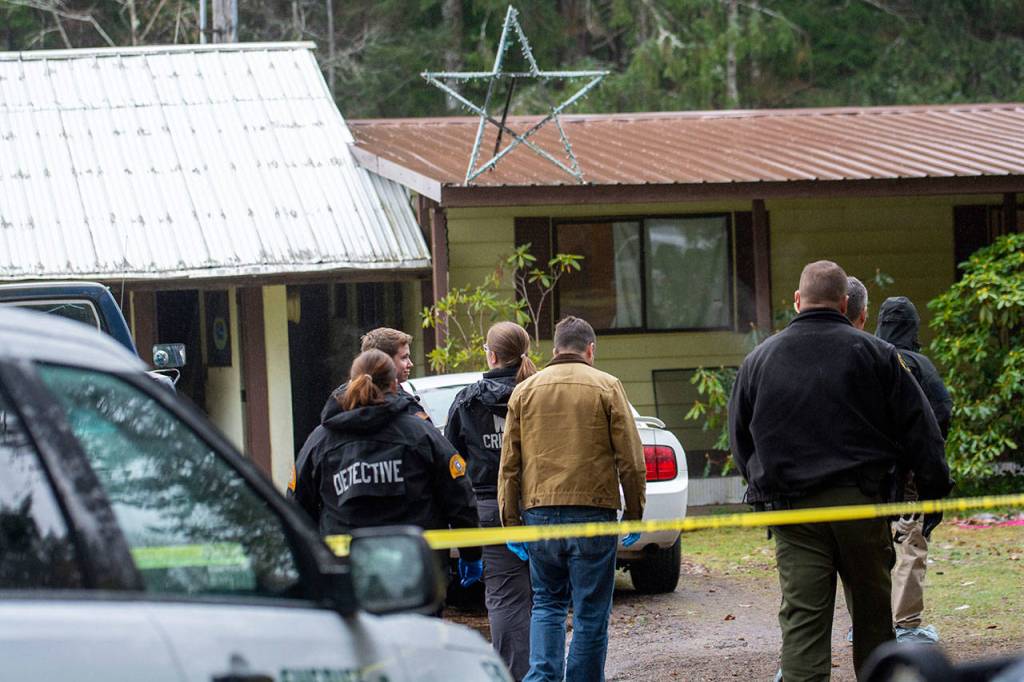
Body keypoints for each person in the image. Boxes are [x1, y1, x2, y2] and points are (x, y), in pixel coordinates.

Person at [728, 260, 952, 682]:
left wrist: (763, 488)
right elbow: (922, 431)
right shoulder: (878, 355)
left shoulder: (758, 361)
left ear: (798, 300)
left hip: (795, 512)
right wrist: (932, 491)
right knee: (873, 620)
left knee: (802, 625)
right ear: (846, 303)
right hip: (860, 506)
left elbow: (740, 438)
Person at [498, 316, 646, 682]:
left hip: (539, 513)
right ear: (590, 349)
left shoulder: (525, 390)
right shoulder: (607, 386)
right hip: (593, 511)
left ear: (554, 350)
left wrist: (511, 521)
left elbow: (509, 464)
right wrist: (635, 512)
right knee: (590, 611)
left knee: (546, 603)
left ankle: (543, 677)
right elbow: (631, 459)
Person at [290, 349, 482, 590]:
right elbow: (459, 497)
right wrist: (471, 553)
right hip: (414, 573)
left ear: (351, 382)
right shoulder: (421, 434)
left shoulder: (319, 441)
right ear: (394, 384)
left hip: (347, 575)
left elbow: (298, 507)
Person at [445, 322, 538, 681]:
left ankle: (513, 674)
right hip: (541, 505)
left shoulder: (467, 400)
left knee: (504, 598)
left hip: (490, 508)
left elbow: (451, 458)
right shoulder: (540, 393)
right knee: (546, 596)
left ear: (492, 354)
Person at [876, 296, 953, 645]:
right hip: (907, 476)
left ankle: (868, 623)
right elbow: (940, 416)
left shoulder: (866, 357)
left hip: (865, 476)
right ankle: (906, 625)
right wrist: (930, 474)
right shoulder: (918, 365)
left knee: (869, 547)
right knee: (910, 543)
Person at [319, 327, 431, 425]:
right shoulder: (410, 415)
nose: (410, 364)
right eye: (404, 357)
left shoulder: (334, 412)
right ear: (384, 361)